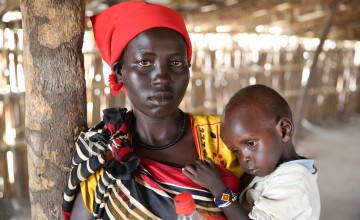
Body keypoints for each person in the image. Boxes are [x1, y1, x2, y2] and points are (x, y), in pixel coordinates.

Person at [62, 1, 243, 220]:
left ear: (188, 68)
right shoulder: (103, 154)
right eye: (145, 62)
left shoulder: (225, 137)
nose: (162, 77)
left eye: (176, 62)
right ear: (120, 72)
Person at [183, 84, 321, 220]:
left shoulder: (294, 183)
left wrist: (218, 188)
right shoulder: (272, 167)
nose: (244, 159)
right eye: (236, 151)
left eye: (251, 144)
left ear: (284, 130)